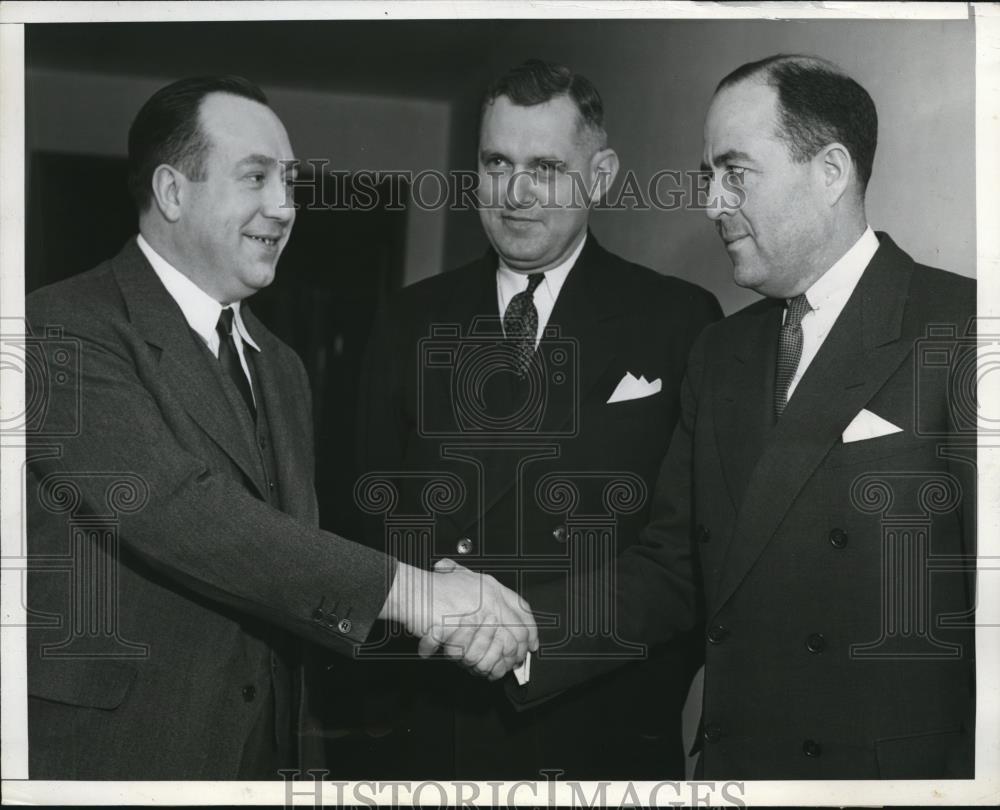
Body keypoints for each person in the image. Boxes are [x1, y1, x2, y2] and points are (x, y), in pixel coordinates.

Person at [24, 75, 535, 780]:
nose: (286, 207)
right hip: (115, 760)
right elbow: (180, 511)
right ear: (173, 192)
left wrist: (432, 620)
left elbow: (287, 562)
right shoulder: (56, 332)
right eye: (256, 178)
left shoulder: (283, 367)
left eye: (289, 181)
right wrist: (417, 596)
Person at [509, 54, 976, 780]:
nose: (712, 203)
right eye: (707, 177)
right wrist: (515, 623)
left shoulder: (964, 327)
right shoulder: (720, 349)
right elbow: (674, 572)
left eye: (736, 173)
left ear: (830, 172)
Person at [351, 59, 721, 779]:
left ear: (603, 174)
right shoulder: (407, 319)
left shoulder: (678, 320)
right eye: (496, 162)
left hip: (598, 727)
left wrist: (530, 634)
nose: (515, 194)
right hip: (436, 718)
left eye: (546, 167)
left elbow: (686, 557)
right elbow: (365, 511)